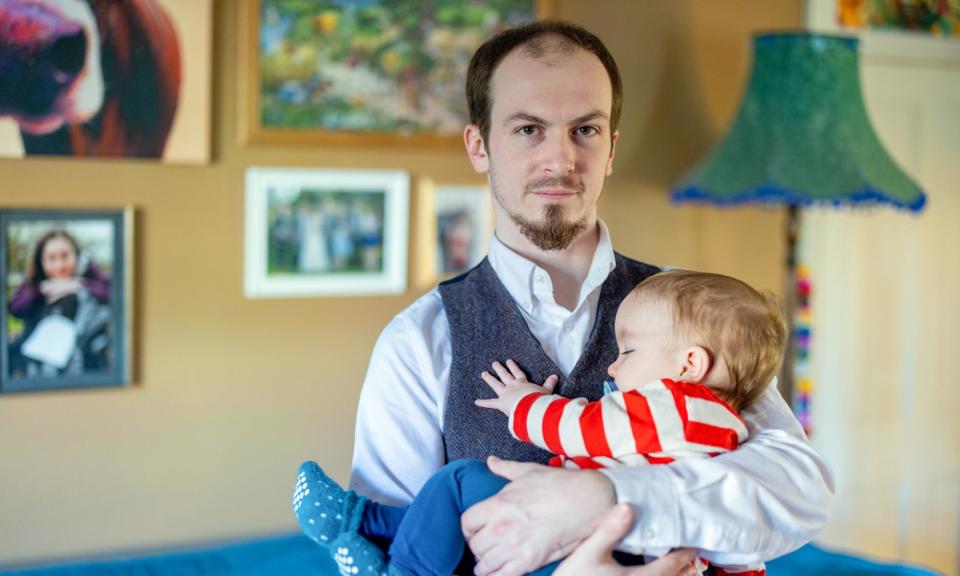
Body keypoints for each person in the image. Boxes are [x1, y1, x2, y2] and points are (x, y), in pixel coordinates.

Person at [347, 20, 833, 576]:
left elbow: (798, 494)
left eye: (585, 130)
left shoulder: (695, 315)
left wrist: (607, 496)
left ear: (610, 149)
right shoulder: (418, 341)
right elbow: (393, 558)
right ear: (479, 146)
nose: (561, 159)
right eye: (529, 129)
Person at [295, 270, 785, 575]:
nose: (612, 368)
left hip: (604, 550)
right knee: (467, 519)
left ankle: (377, 540)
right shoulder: (726, 425)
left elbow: (581, 427)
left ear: (690, 365)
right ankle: (366, 524)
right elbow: (742, 551)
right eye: (528, 129)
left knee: (461, 481)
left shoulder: (673, 408)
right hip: (623, 550)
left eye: (629, 352)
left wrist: (524, 401)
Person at [8, 229, 112, 378]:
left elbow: (113, 295)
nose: (59, 265)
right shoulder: (34, 282)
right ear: (41, 261)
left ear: (76, 255)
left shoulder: (89, 273)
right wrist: (42, 290)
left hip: (85, 358)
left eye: (65, 256)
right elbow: (15, 307)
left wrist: (79, 285)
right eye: (51, 258)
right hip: (39, 360)